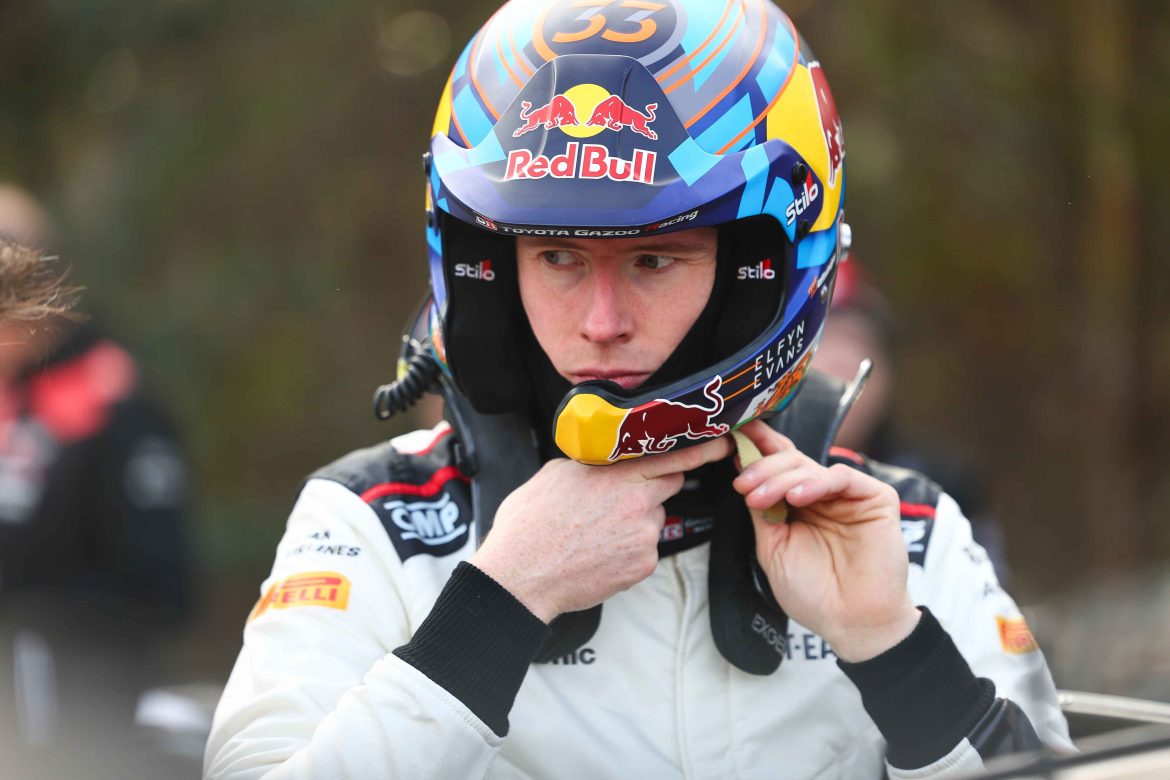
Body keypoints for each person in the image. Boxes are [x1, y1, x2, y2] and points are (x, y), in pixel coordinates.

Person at [205, 1, 1072, 777]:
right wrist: (502, 599)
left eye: (654, 260)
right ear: (488, 271)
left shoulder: (904, 533)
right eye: (558, 257)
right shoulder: (375, 524)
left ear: (757, 274)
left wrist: (893, 649)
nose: (601, 322)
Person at [0, 186, 192, 777]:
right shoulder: (13, 391)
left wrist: (27, 613)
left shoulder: (115, 400)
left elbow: (162, 586)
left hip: (79, 729)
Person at [813, 257, 1009, 576]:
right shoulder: (742, 477)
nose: (841, 362)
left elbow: (987, 594)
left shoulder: (944, 486)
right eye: (822, 342)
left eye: (857, 342)